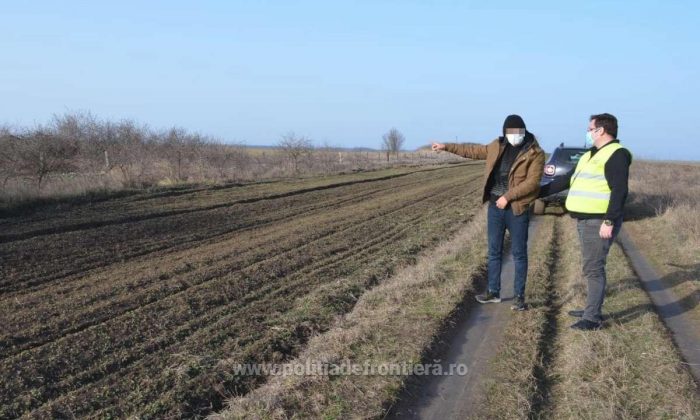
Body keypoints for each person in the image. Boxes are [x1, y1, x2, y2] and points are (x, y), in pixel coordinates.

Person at [432, 115, 545, 311]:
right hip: (495, 209)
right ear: (504, 132)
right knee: (494, 252)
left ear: (524, 131)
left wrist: (508, 197)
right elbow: (472, 150)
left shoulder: (535, 153)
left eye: (518, 132)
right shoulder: (496, 146)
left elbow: (532, 183)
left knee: (519, 254)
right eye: (511, 132)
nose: (515, 136)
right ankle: (494, 292)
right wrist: (446, 146)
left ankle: (519, 297)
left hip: (516, 210)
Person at [539, 113, 632, 330]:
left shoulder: (616, 155)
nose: (588, 132)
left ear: (601, 131)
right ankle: (591, 307)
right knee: (589, 266)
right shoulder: (589, 155)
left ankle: (592, 318)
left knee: (594, 269)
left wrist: (609, 221)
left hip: (598, 221)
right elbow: (565, 180)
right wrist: (534, 192)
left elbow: (620, 191)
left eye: (590, 129)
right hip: (584, 220)